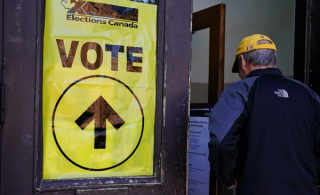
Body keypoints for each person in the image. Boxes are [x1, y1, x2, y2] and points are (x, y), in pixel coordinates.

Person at [208, 34, 320, 195]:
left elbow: (221, 140)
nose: (240, 74)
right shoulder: (307, 93)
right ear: (274, 62)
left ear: (243, 61)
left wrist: (227, 177)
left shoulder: (239, 91)